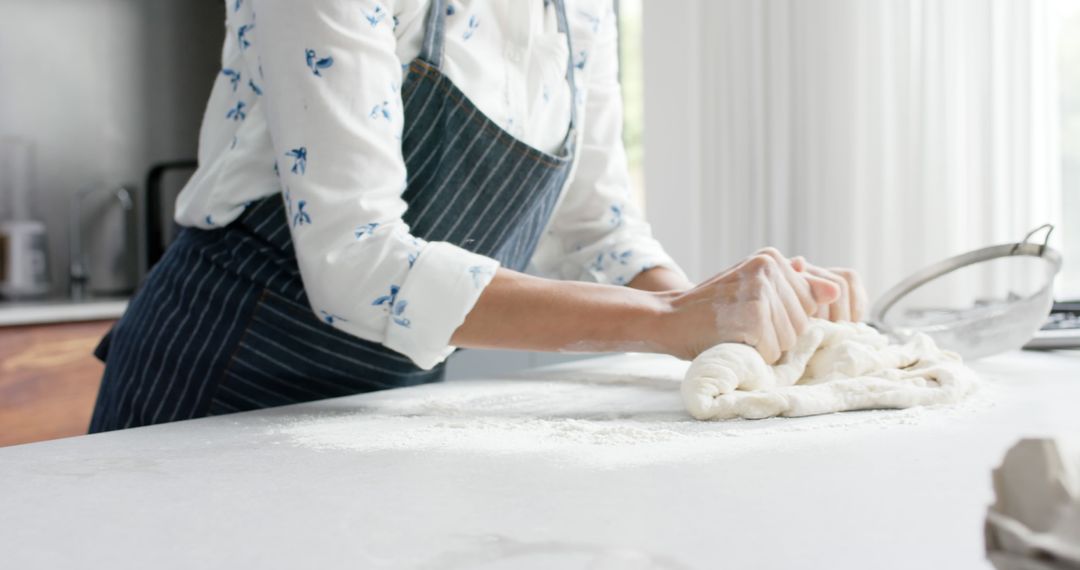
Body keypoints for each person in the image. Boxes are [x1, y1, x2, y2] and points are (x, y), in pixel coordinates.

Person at [88, 0, 866, 433]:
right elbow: (358, 263)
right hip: (211, 390)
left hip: (369, 417)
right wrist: (672, 317)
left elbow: (598, 230)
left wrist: (724, 326)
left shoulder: (579, 13)